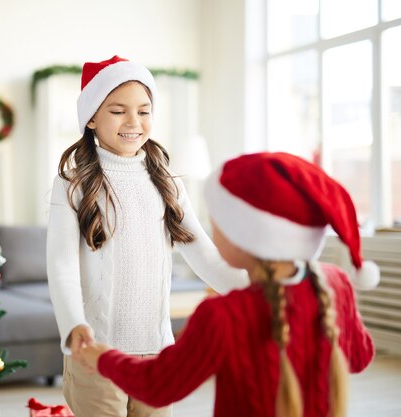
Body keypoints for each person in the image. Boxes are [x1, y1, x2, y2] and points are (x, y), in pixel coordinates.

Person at [77, 152, 380, 417]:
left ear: (242, 237)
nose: (212, 230)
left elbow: (157, 385)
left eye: (217, 222)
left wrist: (102, 357)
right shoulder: (335, 284)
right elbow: (360, 357)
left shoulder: (223, 316)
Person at [46, 55, 249, 417]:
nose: (133, 122)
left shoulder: (167, 183)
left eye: (144, 111)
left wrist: (257, 288)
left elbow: (203, 254)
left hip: (157, 355)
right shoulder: (72, 184)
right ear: (91, 118)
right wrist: (73, 323)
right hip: (96, 352)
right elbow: (62, 266)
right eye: (118, 111)